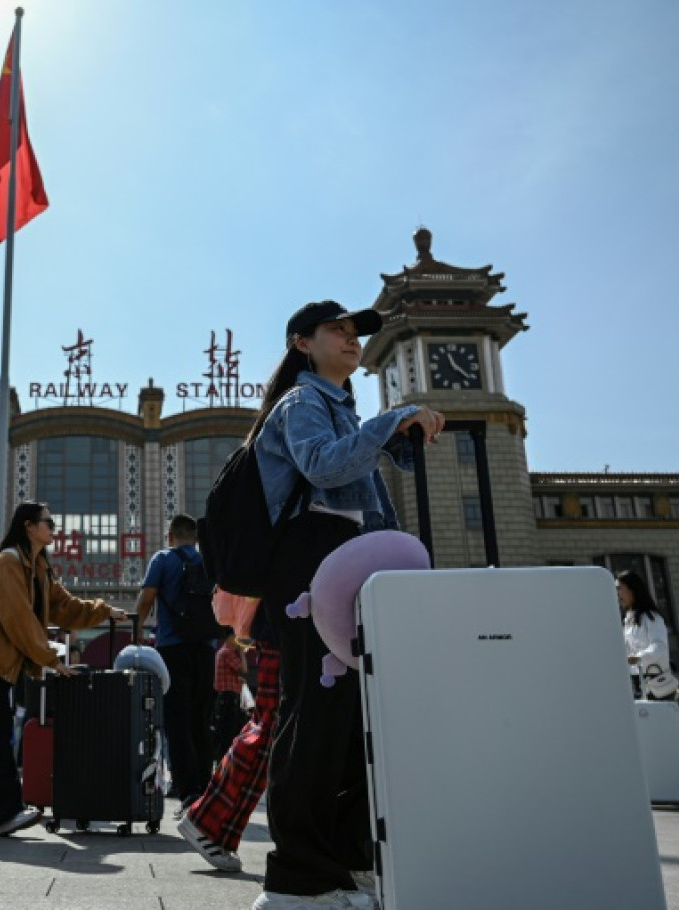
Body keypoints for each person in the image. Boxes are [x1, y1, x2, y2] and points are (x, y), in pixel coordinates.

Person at [246, 300, 443, 910]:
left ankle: (347, 863)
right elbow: (324, 468)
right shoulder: (303, 405)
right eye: (338, 329)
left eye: (356, 331)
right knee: (319, 715)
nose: (352, 339)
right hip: (311, 563)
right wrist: (395, 420)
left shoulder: (339, 408)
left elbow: (368, 501)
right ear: (302, 343)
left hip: (345, 561)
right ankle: (297, 880)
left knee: (355, 715)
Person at [0, 501, 126, 836]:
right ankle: (7, 813)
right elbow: (19, 619)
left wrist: (104, 611)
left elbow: (64, 607)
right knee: (0, 730)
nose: (54, 528)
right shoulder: (8, 563)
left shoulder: (39, 566)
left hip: (2, 659)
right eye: (49, 522)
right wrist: (51, 659)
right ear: (29, 526)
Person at [177, 617, 280, 874]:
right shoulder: (227, 653)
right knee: (269, 730)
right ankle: (209, 823)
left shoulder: (223, 650)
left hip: (288, 622)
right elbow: (244, 669)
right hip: (292, 625)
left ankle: (213, 826)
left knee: (270, 729)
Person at [135, 513, 217, 810]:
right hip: (206, 650)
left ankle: (189, 791)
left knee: (177, 722)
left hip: (172, 649)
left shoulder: (162, 559)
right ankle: (207, 790)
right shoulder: (210, 560)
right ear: (195, 538)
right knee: (200, 721)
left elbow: (146, 599)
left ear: (170, 536)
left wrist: (136, 634)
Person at [617, 571, 671, 698]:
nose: (617, 594)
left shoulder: (650, 616)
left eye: (619, 588)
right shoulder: (627, 619)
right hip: (634, 679)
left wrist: (638, 657)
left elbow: (659, 646)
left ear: (632, 589)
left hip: (654, 679)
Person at [210, 631, 248, 766]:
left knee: (224, 731)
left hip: (224, 697)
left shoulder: (221, 652)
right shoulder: (227, 653)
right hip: (229, 697)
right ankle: (225, 762)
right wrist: (242, 652)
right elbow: (244, 668)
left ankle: (222, 761)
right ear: (230, 638)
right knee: (228, 732)